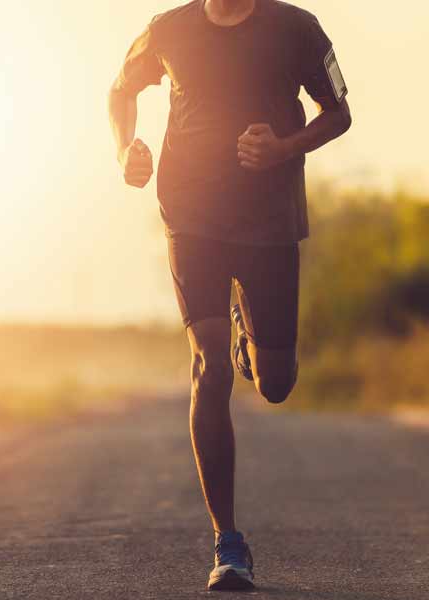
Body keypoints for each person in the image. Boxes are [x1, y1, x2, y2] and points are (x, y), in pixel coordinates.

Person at [108, 0, 352, 591]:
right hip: (191, 217)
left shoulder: (296, 28)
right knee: (209, 367)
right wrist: (126, 150)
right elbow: (121, 90)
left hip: (269, 219)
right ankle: (228, 542)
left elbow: (338, 113)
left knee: (275, 383)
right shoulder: (167, 29)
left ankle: (253, 340)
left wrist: (284, 146)